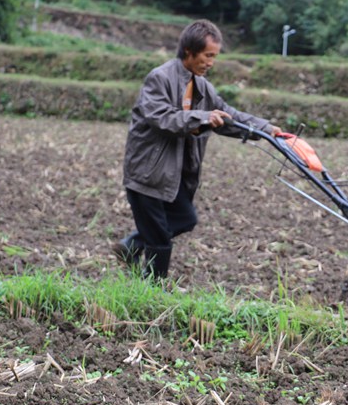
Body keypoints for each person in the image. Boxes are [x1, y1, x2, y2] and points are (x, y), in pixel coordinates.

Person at [114, 19, 282, 280]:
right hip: (148, 172)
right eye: (207, 55)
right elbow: (164, 118)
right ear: (189, 52)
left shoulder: (203, 86)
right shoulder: (160, 78)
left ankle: (132, 246)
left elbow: (229, 116)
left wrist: (266, 128)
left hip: (177, 174)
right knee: (159, 239)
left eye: (214, 56)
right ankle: (152, 291)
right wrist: (202, 118)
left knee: (185, 218)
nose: (211, 62)